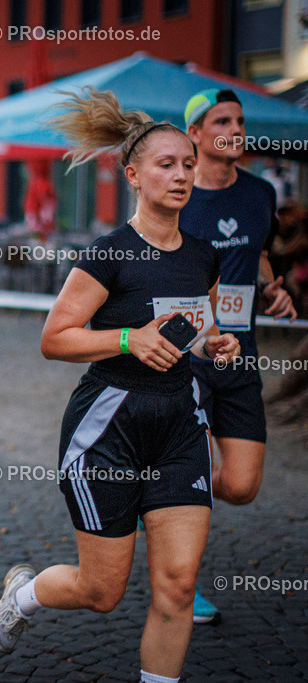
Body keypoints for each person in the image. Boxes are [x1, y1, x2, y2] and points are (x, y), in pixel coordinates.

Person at [0, 87, 240, 683]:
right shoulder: (109, 254)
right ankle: (23, 595)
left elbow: (201, 327)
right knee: (101, 591)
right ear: (133, 175)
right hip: (108, 429)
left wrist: (215, 343)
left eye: (187, 164)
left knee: (178, 586)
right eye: (166, 165)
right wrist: (128, 339)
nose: (181, 175)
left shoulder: (204, 256)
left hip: (180, 427)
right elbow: (55, 338)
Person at [179, 88, 298, 623]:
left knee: (243, 486)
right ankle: (182, 586)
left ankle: (148, 493)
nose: (234, 130)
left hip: (241, 357)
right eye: (221, 121)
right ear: (195, 134)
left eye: (239, 121)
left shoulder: (260, 192)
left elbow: (260, 252)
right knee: (194, 476)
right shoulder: (179, 195)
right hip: (186, 356)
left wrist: (271, 288)